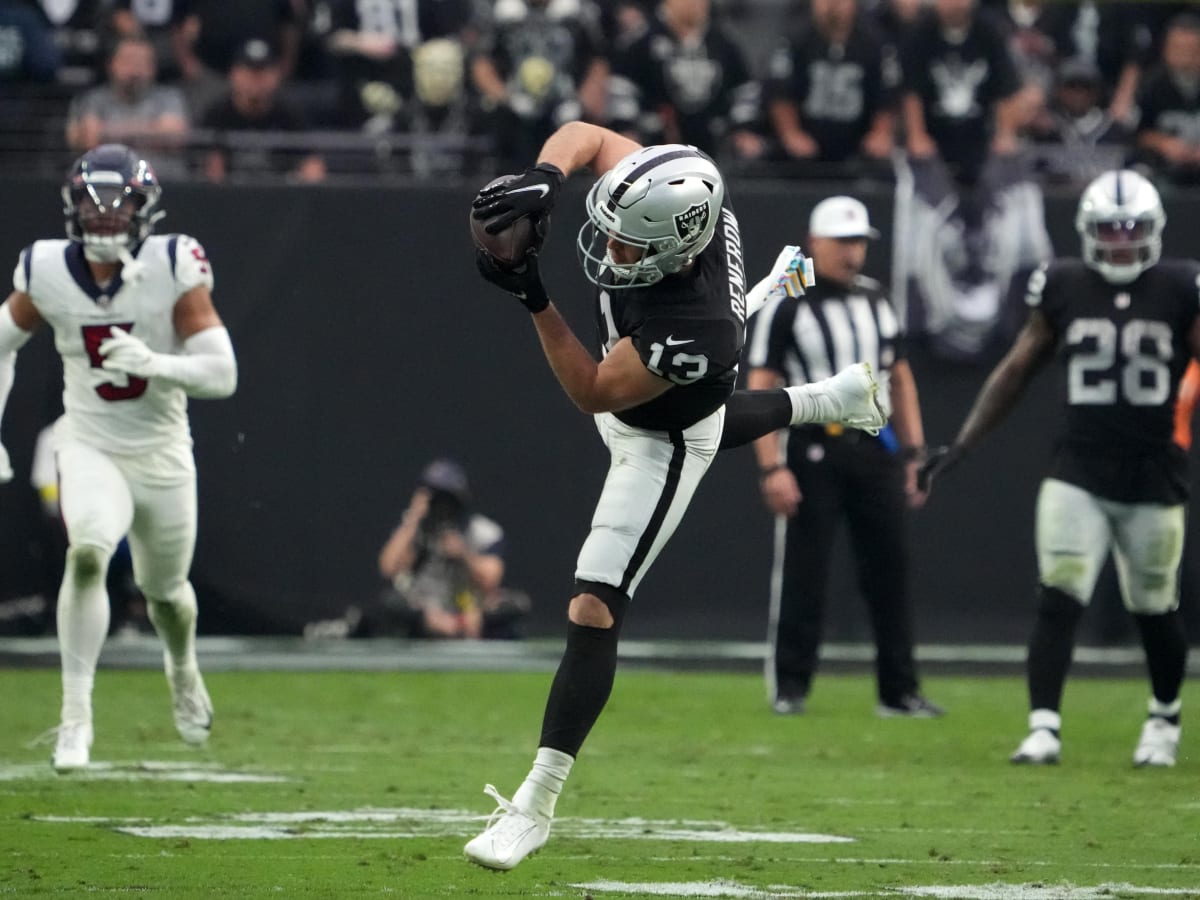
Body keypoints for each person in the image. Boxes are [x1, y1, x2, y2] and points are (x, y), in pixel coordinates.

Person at [462, 119, 888, 870]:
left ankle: (534, 806)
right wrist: (547, 177)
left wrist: (532, 295)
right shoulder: (674, 188)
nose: (608, 248)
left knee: (594, 603)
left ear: (674, 250)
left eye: (628, 244)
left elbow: (596, 392)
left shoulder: (698, 326)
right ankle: (829, 398)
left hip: (653, 440)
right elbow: (586, 133)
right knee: (708, 396)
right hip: (668, 378)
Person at [920, 169, 1196, 767]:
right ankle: (1043, 726)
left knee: (1154, 603)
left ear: (1153, 231)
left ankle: (1163, 722)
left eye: (1132, 231)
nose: (1121, 242)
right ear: (1088, 232)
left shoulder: (1181, 286)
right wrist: (963, 444)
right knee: (1060, 591)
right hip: (1080, 465)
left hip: (1154, 468)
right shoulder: (1065, 283)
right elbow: (1015, 370)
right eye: (1109, 231)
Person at [0, 143, 238, 771]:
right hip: (89, 441)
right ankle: (74, 717)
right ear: (72, 208)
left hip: (160, 451)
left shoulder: (170, 262)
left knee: (166, 595)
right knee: (87, 552)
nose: (104, 217)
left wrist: (158, 363)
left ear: (144, 208)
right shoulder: (46, 268)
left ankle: (182, 666)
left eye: (118, 204)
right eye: (92, 204)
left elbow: (223, 374)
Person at [747, 195, 942, 719]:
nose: (852, 253)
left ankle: (898, 691)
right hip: (814, 447)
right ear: (815, 243)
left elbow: (899, 376)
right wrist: (772, 464)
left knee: (890, 571)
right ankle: (791, 686)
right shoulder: (788, 300)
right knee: (805, 572)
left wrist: (914, 452)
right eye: (841, 241)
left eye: (858, 241)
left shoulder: (878, 300)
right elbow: (761, 383)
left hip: (876, 449)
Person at [305, 458, 530, 640]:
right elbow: (388, 568)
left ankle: (460, 628)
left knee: (516, 604)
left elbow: (491, 580)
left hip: (470, 613)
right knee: (389, 603)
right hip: (427, 613)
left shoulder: (481, 531)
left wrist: (462, 554)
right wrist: (414, 519)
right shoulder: (413, 529)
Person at [66, 35, 190, 179]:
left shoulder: (169, 97)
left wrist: (107, 133)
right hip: (104, 183)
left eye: (143, 63)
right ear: (111, 64)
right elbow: (90, 140)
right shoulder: (93, 99)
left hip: (165, 183)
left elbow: (173, 137)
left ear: (153, 68)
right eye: (128, 61)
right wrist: (152, 130)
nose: (135, 70)